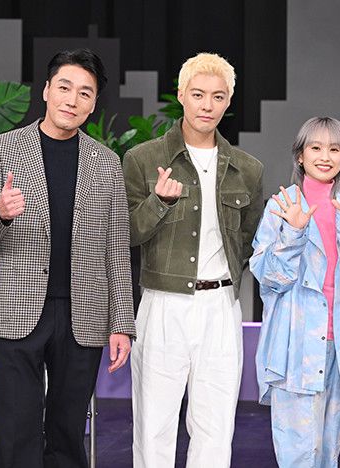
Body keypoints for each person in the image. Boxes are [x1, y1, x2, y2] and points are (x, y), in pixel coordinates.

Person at [0, 48, 135, 468]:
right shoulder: (2, 149)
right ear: (46, 90)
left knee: (67, 434)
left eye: (84, 93)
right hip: (16, 310)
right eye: (64, 87)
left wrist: (121, 323)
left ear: (93, 104)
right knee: (17, 432)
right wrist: (1, 214)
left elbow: (116, 249)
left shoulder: (106, 163)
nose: (71, 100)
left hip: (83, 315)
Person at [123, 52, 263, 468]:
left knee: (215, 427)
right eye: (198, 94)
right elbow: (125, 235)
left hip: (220, 307)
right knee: (154, 426)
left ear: (228, 101)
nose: (207, 105)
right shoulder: (143, 159)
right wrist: (158, 203)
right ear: (181, 94)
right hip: (163, 304)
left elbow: (249, 240)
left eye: (217, 97)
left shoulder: (247, 169)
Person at [251, 117, 340, 467]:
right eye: (316, 147)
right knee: (298, 452)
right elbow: (270, 278)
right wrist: (293, 233)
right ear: (300, 155)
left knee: (327, 451)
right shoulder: (282, 205)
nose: (325, 156)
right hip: (295, 346)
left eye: (335, 149)